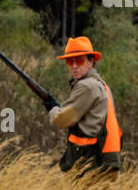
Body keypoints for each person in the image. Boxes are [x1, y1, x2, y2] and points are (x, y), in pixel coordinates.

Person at [46, 37, 122, 176]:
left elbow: (61, 120)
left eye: (79, 60)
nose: (74, 66)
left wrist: (53, 109)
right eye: (70, 61)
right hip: (106, 160)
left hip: (91, 163)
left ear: (91, 61)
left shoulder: (87, 85)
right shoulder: (100, 84)